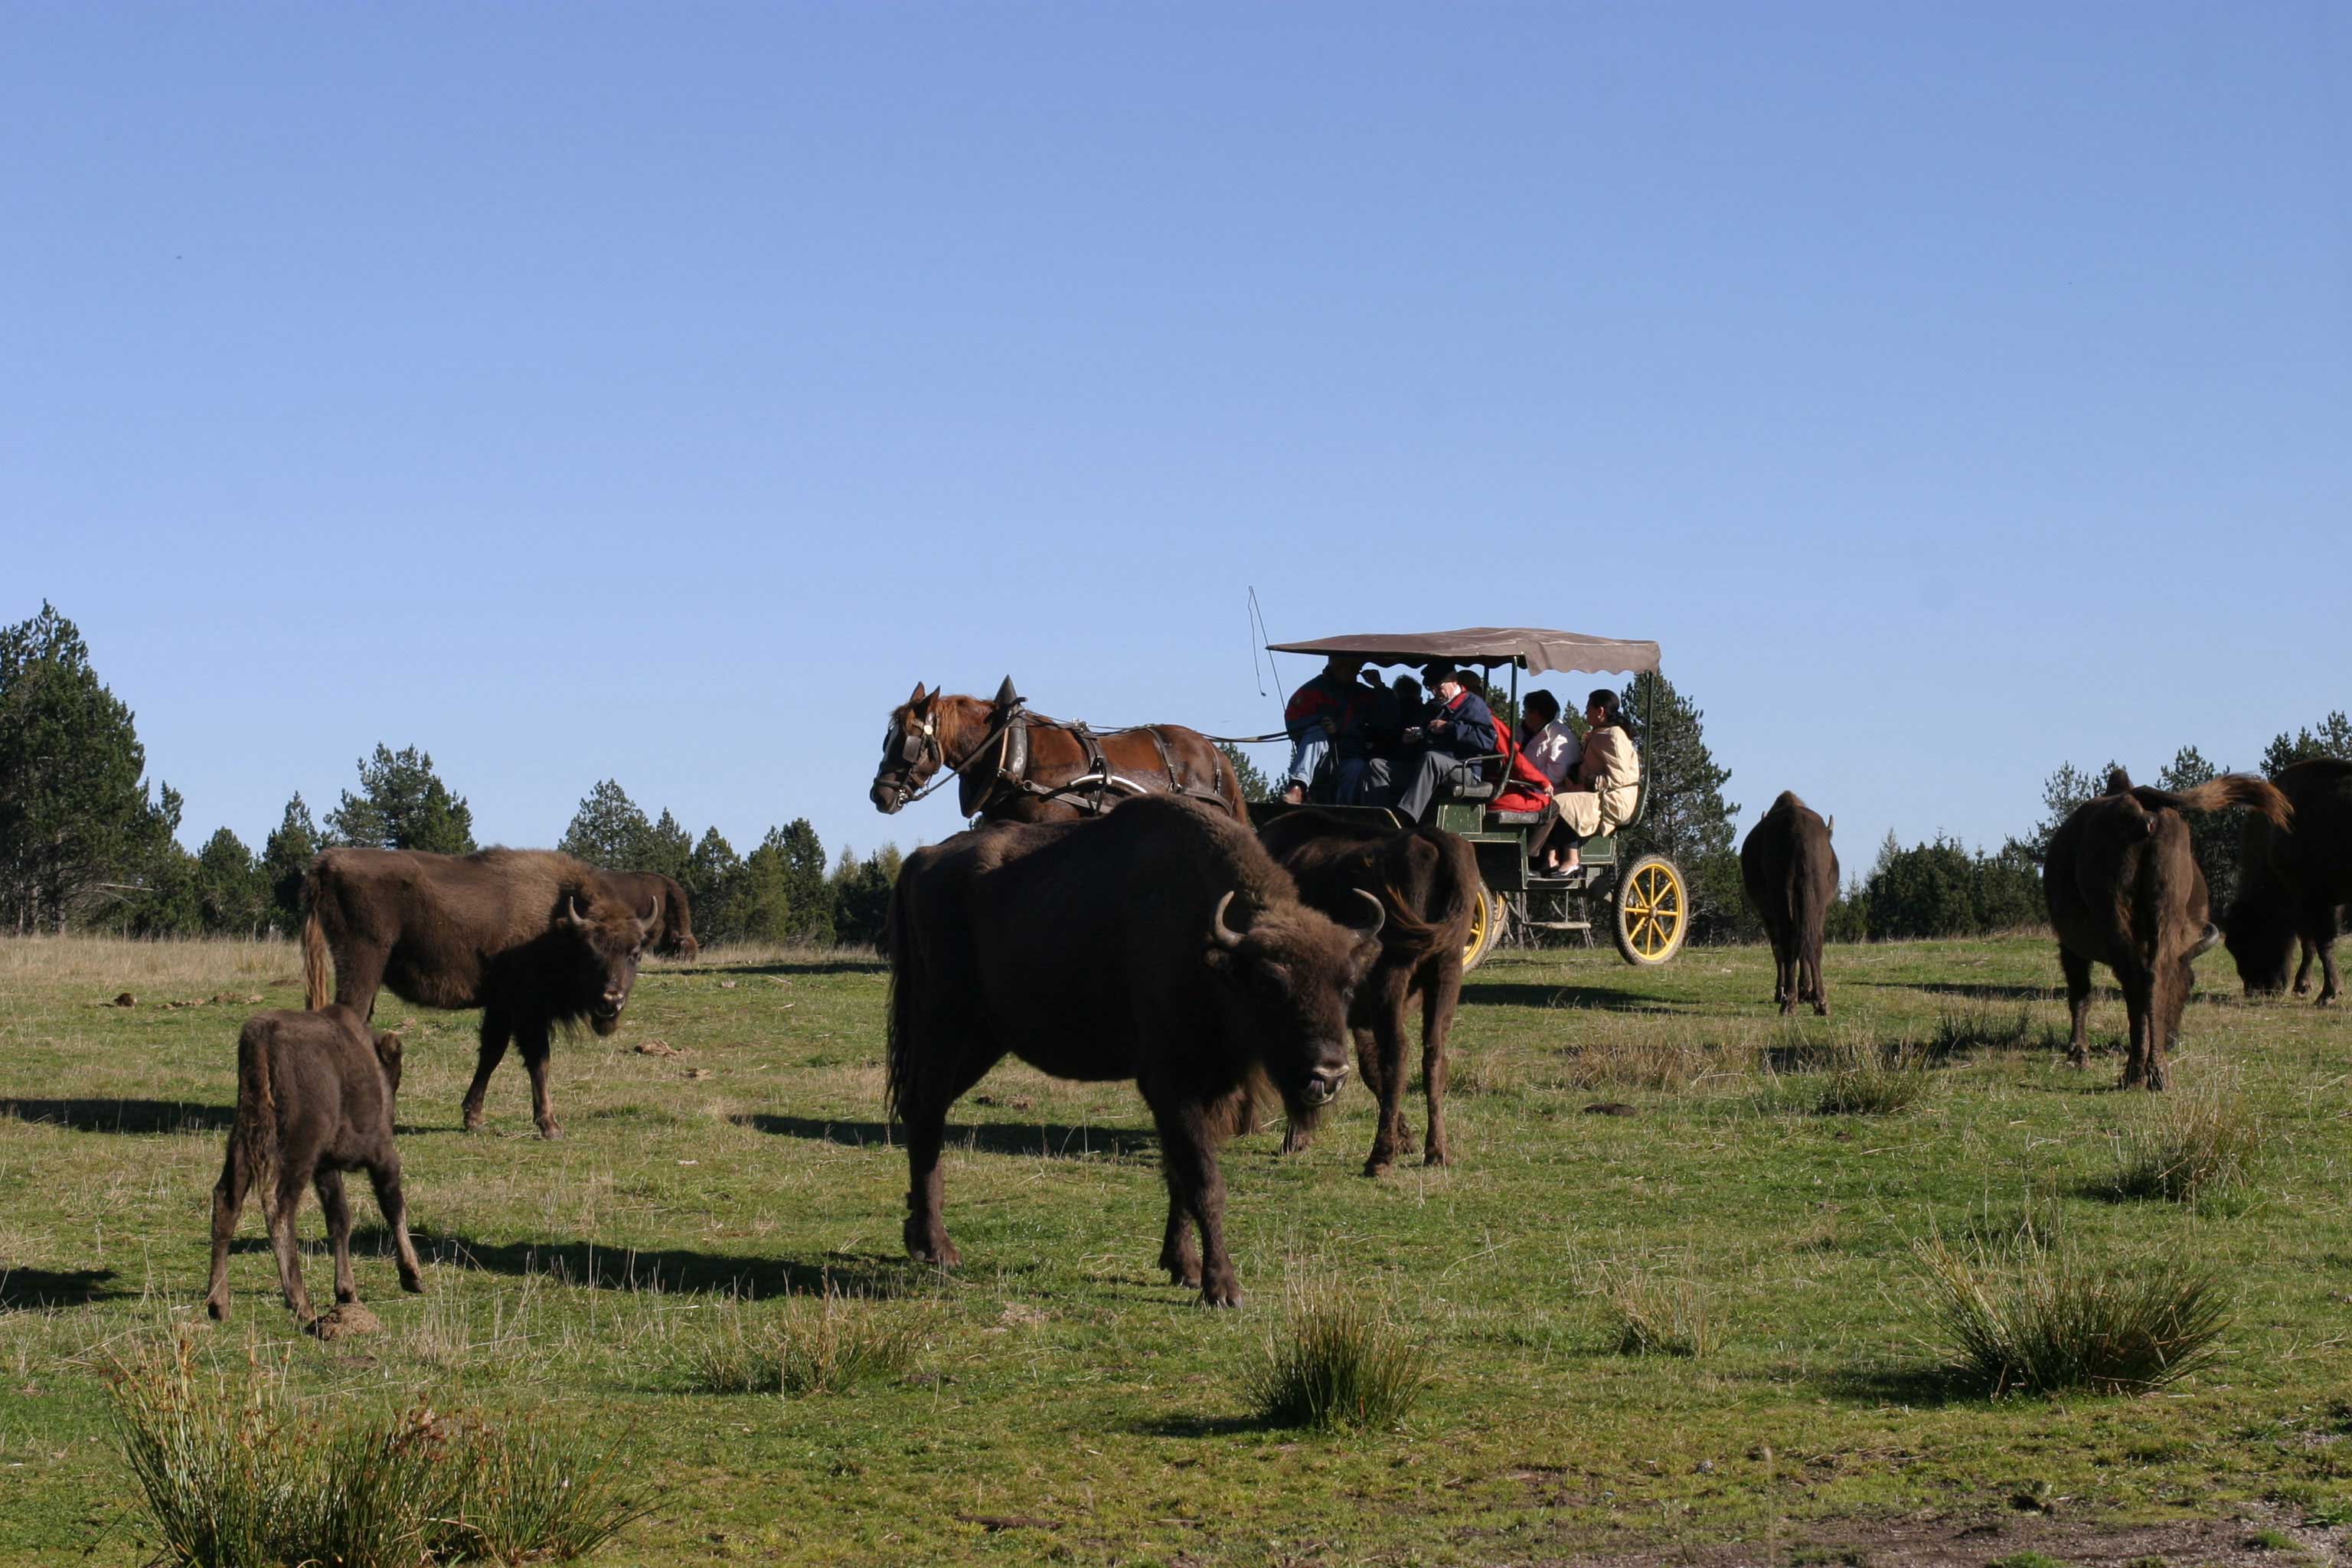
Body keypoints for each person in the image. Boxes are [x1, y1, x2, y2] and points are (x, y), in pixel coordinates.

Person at [1392, 664, 1497, 822]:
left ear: (1454, 681)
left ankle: (1405, 819)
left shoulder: (1473, 704)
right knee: (1377, 766)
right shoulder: (1431, 708)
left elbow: (1487, 739)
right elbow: (1424, 734)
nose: (1434, 693)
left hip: (1463, 769)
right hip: (1427, 767)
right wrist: (1410, 739)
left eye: (1438, 688)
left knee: (1431, 759)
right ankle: (1379, 818)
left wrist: (1450, 728)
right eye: (1430, 689)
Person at [1551, 688, 1642, 871]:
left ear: (1599, 711)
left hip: (1613, 799)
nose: (1585, 713)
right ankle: (1550, 858)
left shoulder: (1613, 736)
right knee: (1550, 801)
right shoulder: (1601, 734)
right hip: (1599, 794)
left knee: (1560, 804)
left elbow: (1619, 778)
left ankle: (1572, 859)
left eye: (1588, 709)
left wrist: (1586, 784)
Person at [1508, 691, 1585, 874]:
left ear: (1538, 714)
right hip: (1524, 786)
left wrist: (1525, 781)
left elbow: (1556, 774)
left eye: (1527, 712)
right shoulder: (1523, 732)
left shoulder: (1560, 736)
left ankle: (1532, 855)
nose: (1524, 716)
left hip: (1548, 791)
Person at [1279, 655, 1361, 805]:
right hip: (1319, 761)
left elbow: (1376, 723)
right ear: (1338, 668)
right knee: (1316, 733)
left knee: (1356, 767)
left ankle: (1347, 810)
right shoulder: (1311, 691)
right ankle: (1297, 787)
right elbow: (1293, 722)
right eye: (1351, 670)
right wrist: (1320, 722)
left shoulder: (1362, 694)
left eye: (1356, 671)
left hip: (1349, 756)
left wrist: (1379, 687)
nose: (1354, 674)